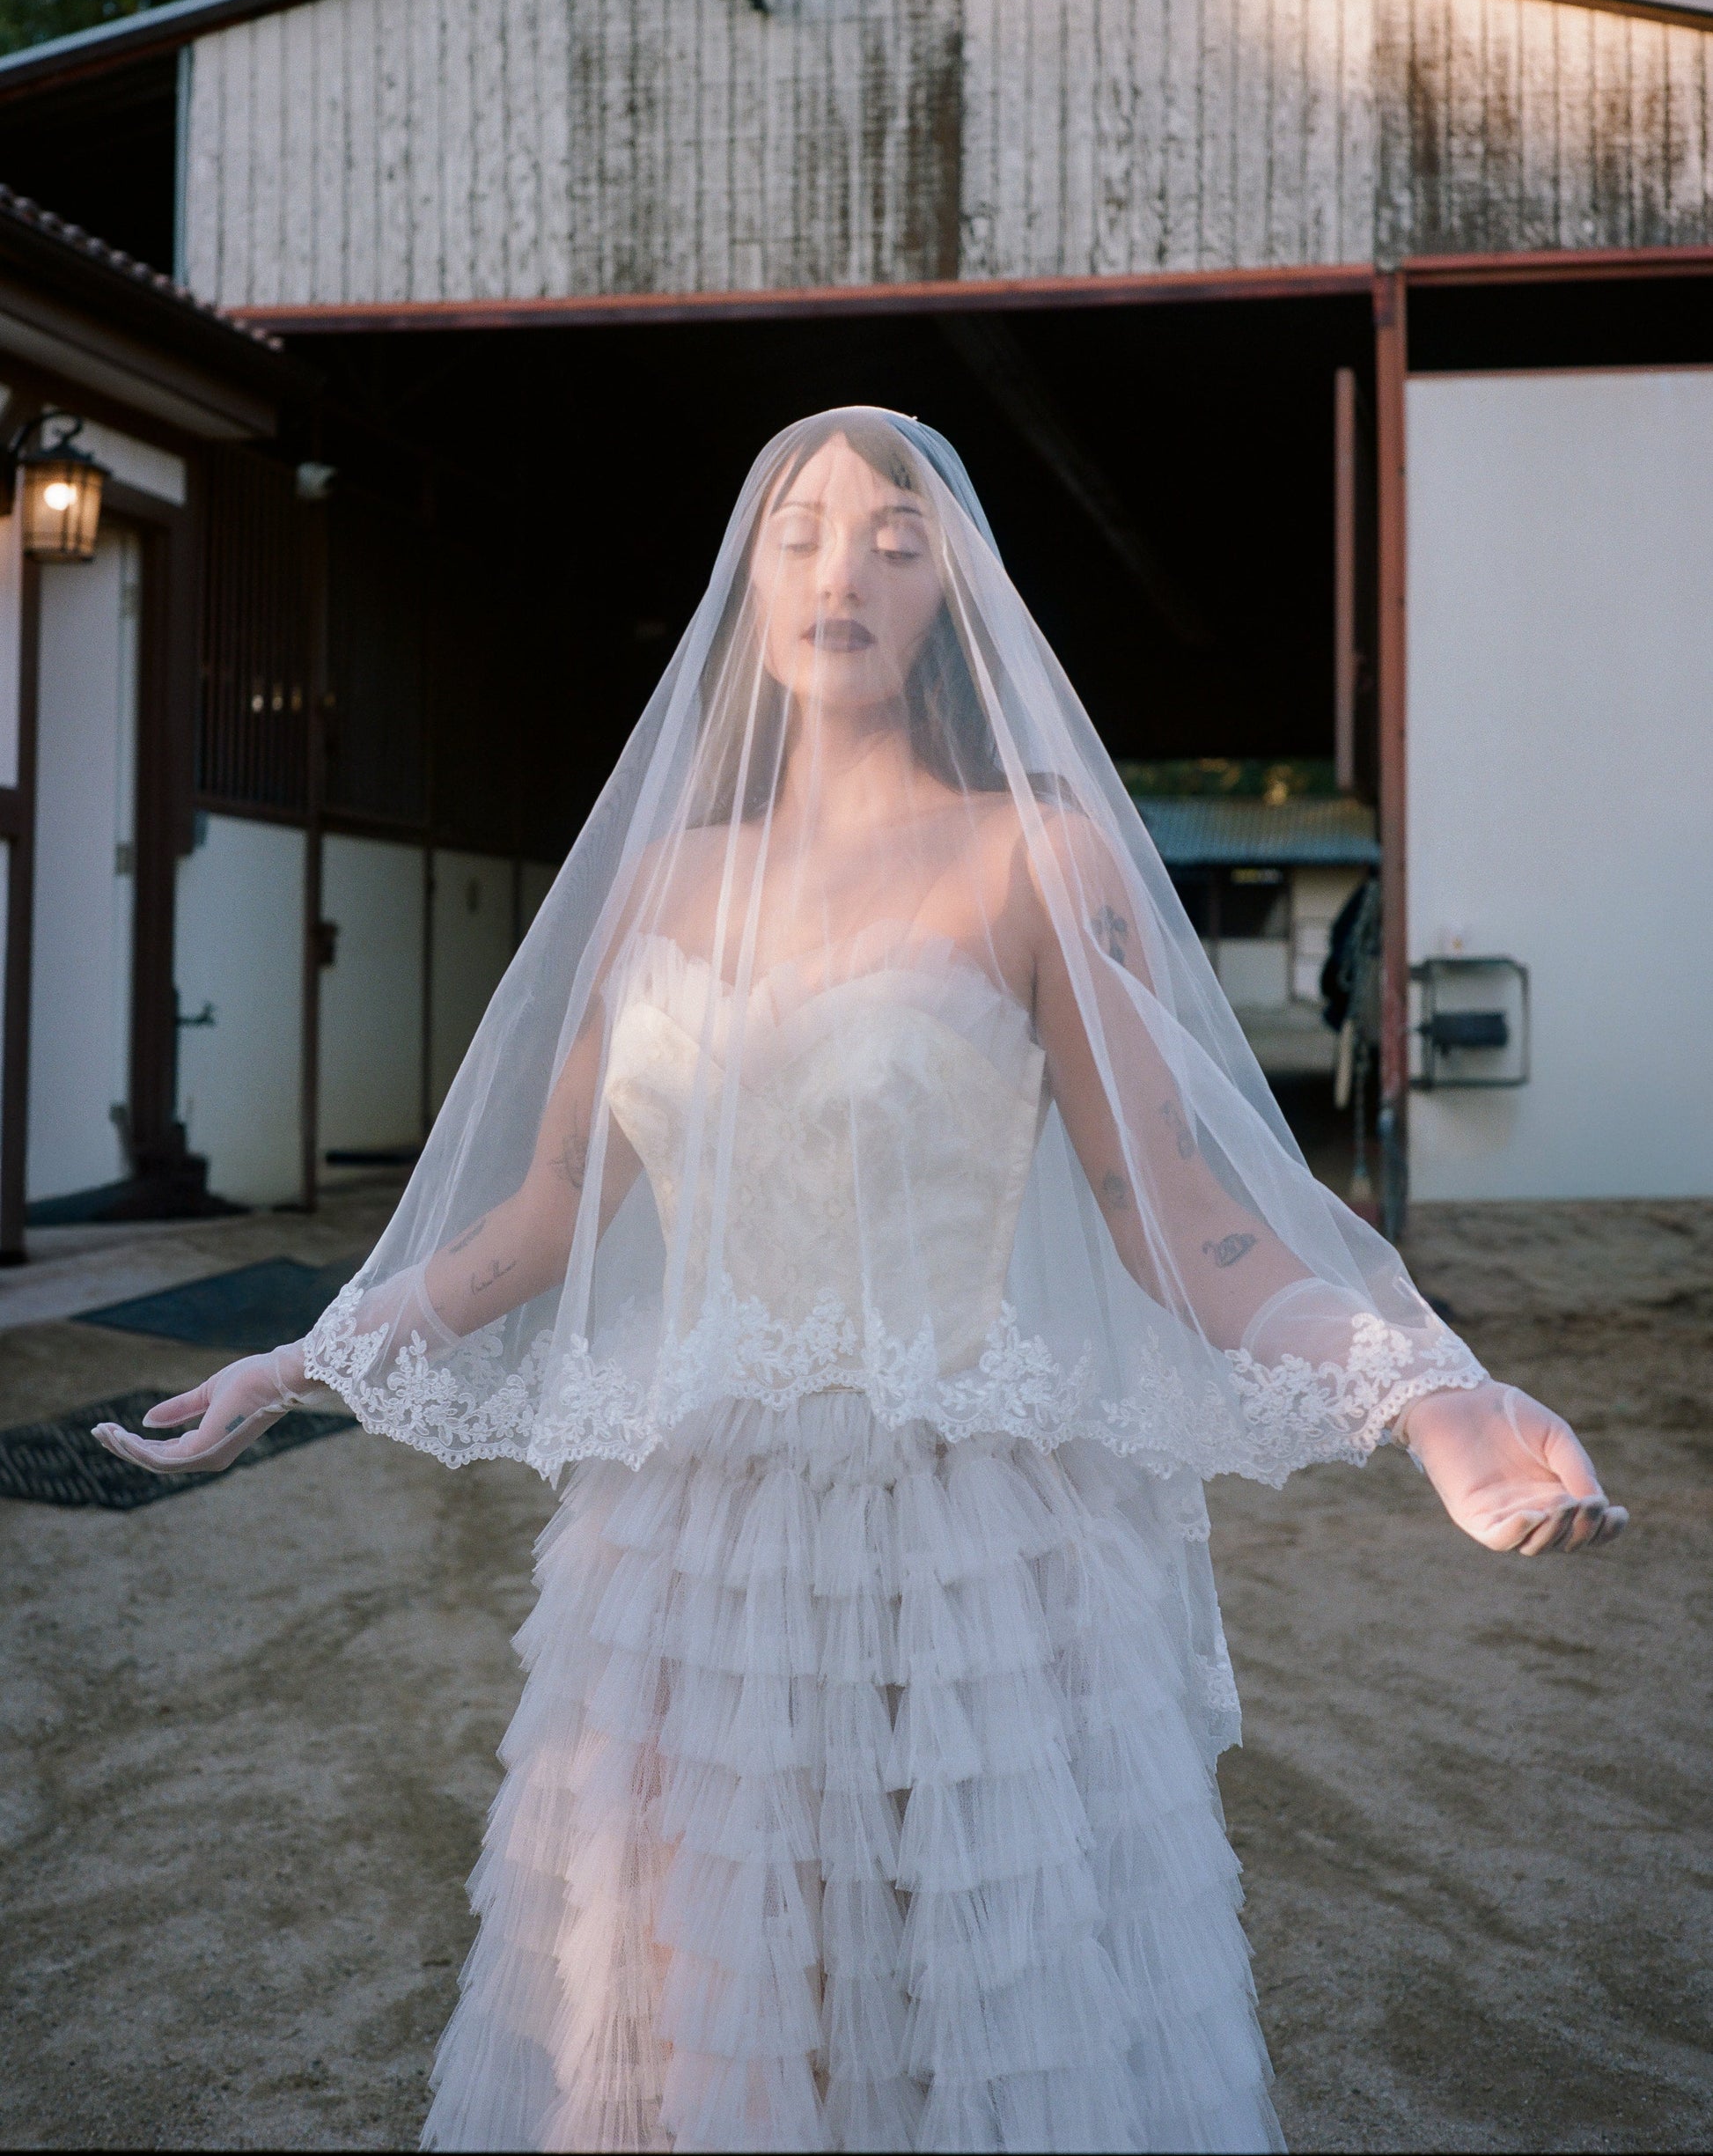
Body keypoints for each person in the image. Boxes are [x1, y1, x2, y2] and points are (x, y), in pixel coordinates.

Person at [98, 409, 1624, 2156]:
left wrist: (1425, 1394)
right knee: (683, 2003)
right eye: (803, 528)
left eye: (899, 535)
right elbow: (538, 1213)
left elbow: (1181, 1214)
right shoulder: (661, 881)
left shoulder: (1028, 855)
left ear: (952, 594)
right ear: (744, 584)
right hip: (687, 1547)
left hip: (970, 1548)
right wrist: (301, 1361)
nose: (846, 566)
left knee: (975, 2015)